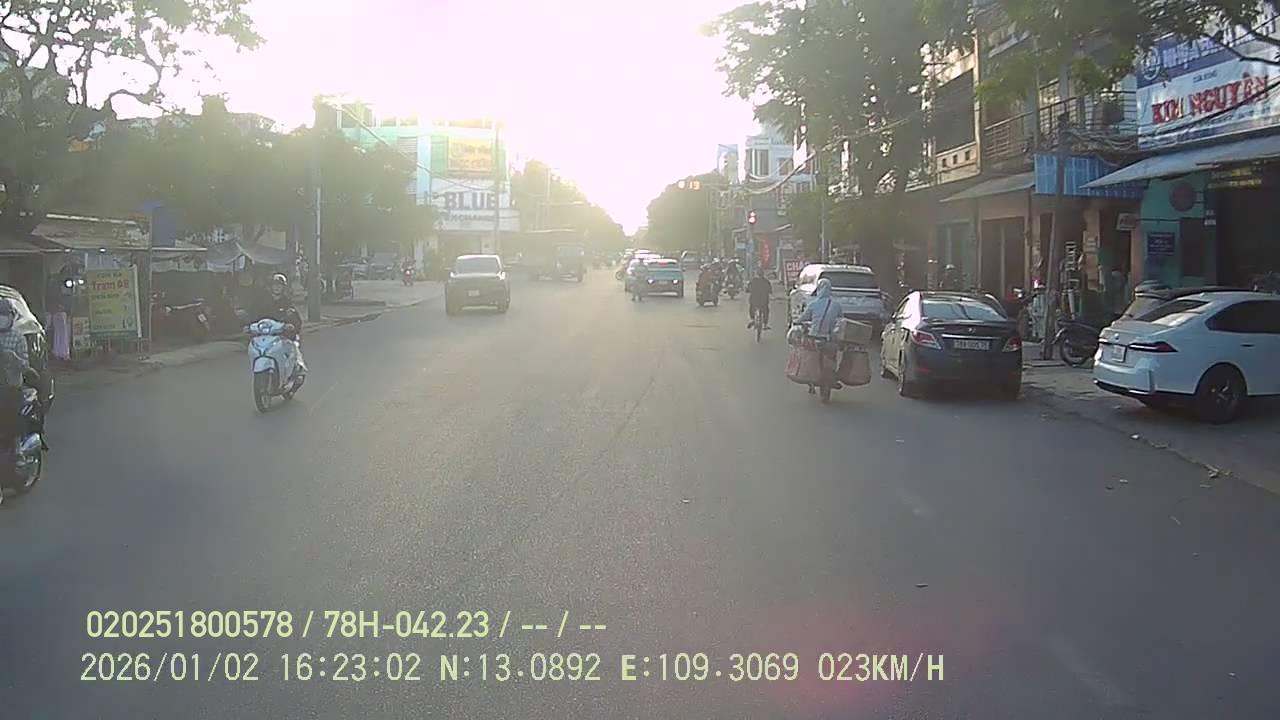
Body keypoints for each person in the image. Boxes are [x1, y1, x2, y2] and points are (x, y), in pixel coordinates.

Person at [252, 273, 307, 378]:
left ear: (283, 287)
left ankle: (296, 370)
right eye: (274, 285)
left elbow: (296, 320)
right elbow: (255, 316)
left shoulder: (287, 302)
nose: (276, 287)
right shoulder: (263, 301)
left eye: (279, 285)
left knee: (293, 349)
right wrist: (249, 326)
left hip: (283, 336)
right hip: (266, 335)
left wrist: (291, 325)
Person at [797, 278, 844, 393]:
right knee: (833, 357)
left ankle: (810, 381)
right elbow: (841, 320)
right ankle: (832, 376)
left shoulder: (813, 304)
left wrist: (797, 322)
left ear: (818, 289)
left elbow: (803, 318)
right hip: (829, 340)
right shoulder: (836, 305)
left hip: (814, 339)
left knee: (810, 358)